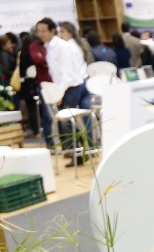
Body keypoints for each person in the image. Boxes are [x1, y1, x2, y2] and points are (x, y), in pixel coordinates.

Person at [38, 18, 92, 161]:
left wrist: (60, 93)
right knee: (67, 122)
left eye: (43, 31)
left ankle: (81, 151)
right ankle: (77, 152)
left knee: (68, 121)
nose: (41, 34)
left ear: (52, 31)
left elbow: (66, 73)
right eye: (39, 31)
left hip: (71, 87)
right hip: (65, 87)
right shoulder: (50, 46)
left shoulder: (62, 46)